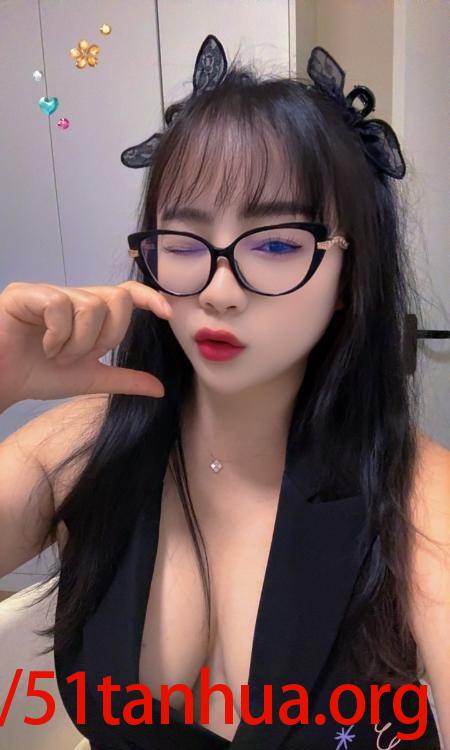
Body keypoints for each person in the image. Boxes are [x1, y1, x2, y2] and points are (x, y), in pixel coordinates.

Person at [0, 36, 448, 750]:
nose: (218, 291)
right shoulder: (79, 448)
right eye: (183, 242)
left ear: (349, 277)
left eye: (275, 245)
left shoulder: (419, 497)